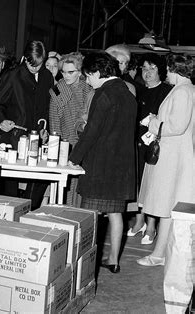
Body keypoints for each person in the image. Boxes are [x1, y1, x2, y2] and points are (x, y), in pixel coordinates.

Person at [68, 52, 137, 273]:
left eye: (88, 76)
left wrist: (73, 158)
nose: (87, 81)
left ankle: (88, 264)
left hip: (100, 166)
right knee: (116, 214)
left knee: (91, 216)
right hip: (121, 167)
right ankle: (114, 260)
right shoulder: (127, 93)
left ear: (97, 73)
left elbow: (92, 132)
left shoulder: (103, 94)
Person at [137, 54, 194, 267]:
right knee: (169, 209)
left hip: (172, 158)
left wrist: (154, 122)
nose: (165, 72)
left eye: (168, 68)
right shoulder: (189, 90)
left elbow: (176, 126)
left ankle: (159, 255)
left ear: (174, 69)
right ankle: (161, 253)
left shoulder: (181, 92)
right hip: (177, 157)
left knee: (166, 207)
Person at [0, 40, 53, 207]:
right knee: (9, 184)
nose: (35, 69)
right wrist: (2, 121)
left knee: (40, 179)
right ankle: (10, 213)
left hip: (37, 138)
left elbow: (47, 108)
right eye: (32, 65)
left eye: (39, 65)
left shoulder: (47, 77)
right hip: (14, 137)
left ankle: (27, 209)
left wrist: (46, 129)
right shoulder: (12, 75)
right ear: (25, 58)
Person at [127, 53, 172, 245]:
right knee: (138, 184)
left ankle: (151, 226)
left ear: (160, 71)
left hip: (156, 145)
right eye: (144, 68)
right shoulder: (138, 90)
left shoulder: (168, 91)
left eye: (152, 68)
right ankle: (139, 221)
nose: (147, 73)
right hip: (137, 144)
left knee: (152, 186)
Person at [49, 52, 93, 205]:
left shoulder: (89, 89)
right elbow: (54, 121)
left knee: (82, 189)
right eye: (63, 72)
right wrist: (58, 147)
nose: (66, 76)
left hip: (86, 144)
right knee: (64, 188)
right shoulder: (57, 89)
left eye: (70, 72)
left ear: (80, 72)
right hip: (65, 144)